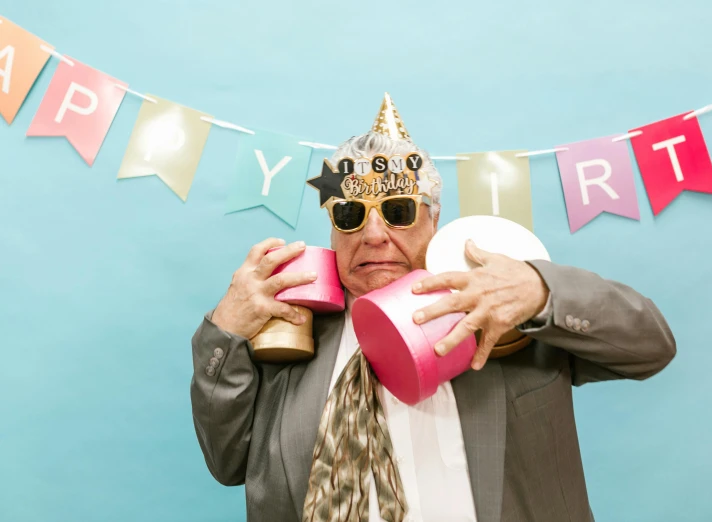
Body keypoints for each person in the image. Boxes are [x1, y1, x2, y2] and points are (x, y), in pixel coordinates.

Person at [190, 93, 676, 522]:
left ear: (434, 217)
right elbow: (228, 464)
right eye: (351, 214)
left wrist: (541, 291)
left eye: (398, 211)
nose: (374, 236)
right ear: (333, 229)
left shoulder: (504, 311)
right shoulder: (289, 325)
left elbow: (652, 347)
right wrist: (225, 330)